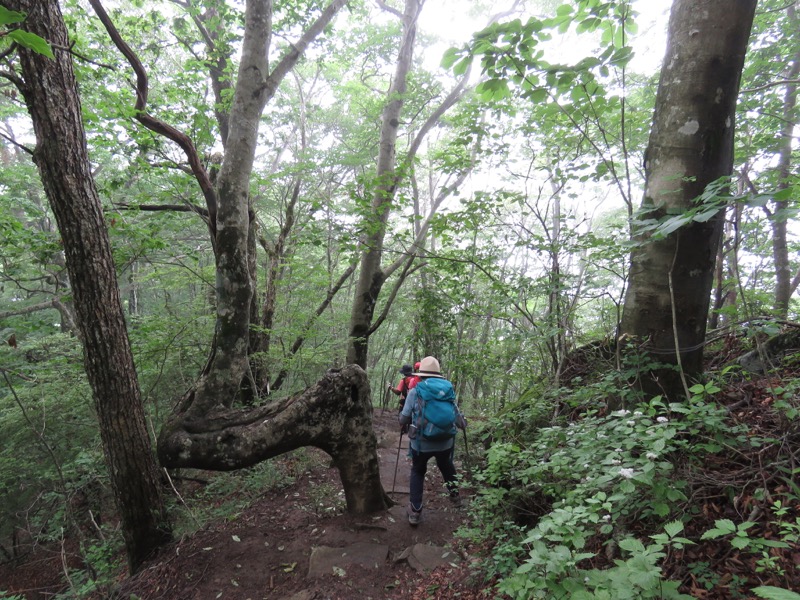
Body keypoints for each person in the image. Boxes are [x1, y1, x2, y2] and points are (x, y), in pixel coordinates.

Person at [398, 356, 466, 525]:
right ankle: (455, 497)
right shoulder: (449, 390)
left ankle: (415, 512)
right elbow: (456, 415)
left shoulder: (416, 391)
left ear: (421, 375)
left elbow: (404, 418)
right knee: (446, 465)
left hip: (421, 443)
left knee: (418, 471)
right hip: (445, 441)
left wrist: (403, 419)